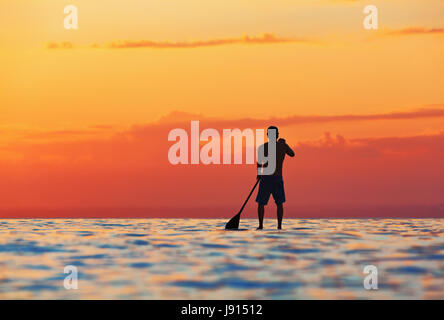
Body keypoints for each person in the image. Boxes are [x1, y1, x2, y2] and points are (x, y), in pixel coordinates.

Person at [256, 126, 294, 230]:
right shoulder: (282, 146)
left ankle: (260, 225)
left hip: (266, 178)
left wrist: (259, 175)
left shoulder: (263, 147)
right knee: (279, 203)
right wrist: (285, 144)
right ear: (277, 135)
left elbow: (259, 163)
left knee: (261, 203)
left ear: (268, 135)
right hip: (277, 178)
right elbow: (292, 153)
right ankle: (279, 226)